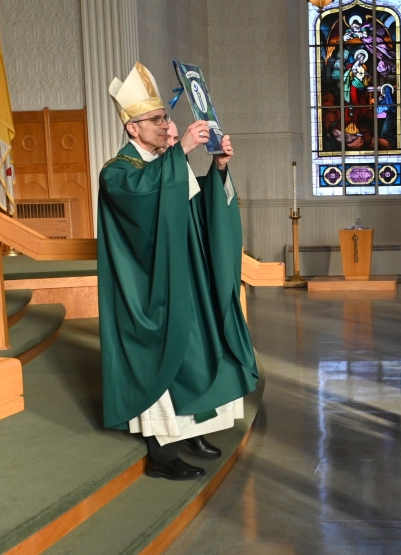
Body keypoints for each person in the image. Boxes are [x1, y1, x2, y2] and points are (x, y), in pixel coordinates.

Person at [98, 62, 258, 481]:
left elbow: (194, 213)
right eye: (158, 119)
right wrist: (183, 152)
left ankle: (190, 430)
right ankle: (161, 451)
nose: (167, 125)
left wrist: (218, 168)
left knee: (198, 352)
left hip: (186, 276)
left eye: (166, 117)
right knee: (164, 357)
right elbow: (143, 198)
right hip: (150, 288)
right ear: (133, 128)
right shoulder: (118, 171)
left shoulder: (165, 164)